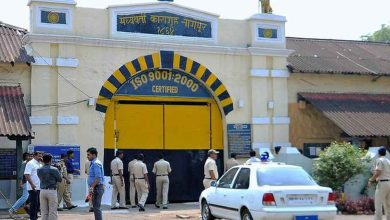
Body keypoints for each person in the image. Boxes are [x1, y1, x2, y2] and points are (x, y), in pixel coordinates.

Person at [38, 153, 62, 220]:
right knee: (52, 210)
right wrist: (59, 170)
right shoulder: (54, 169)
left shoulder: (39, 169)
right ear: (50, 160)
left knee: (43, 211)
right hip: (51, 191)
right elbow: (60, 179)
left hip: (42, 190)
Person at [8, 152, 33, 218]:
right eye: (28, 156)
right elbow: (21, 173)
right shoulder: (25, 163)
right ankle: (12, 209)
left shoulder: (30, 163)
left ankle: (31, 211)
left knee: (32, 197)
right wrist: (20, 182)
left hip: (31, 183)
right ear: (25, 157)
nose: (30, 157)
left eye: (31, 156)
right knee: (25, 196)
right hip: (26, 182)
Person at [368, 147, 390, 220]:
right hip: (389, 182)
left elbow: (378, 172)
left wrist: (371, 180)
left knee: (378, 204)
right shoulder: (388, 161)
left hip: (382, 183)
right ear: (385, 153)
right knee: (388, 204)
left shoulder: (379, 160)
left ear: (379, 153)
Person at [24, 151, 43, 220]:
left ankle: (35, 216)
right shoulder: (30, 163)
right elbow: (26, 174)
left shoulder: (40, 164)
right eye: (39, 156)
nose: (40, 157)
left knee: (38, 203)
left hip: (39, 187)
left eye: (41, 156)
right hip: (32, 187)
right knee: (34, 203)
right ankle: (32, 217)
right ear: (35, 156)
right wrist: (32, 184)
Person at [87, 147, 105, 220]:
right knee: (96, 207)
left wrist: (92, 187)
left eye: (88, 155)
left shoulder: (95, 163)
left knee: (96, 208)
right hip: (96, 187)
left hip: (97, 187)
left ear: (93, 155)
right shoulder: (94, 163)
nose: (87, 156)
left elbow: (98, 177)